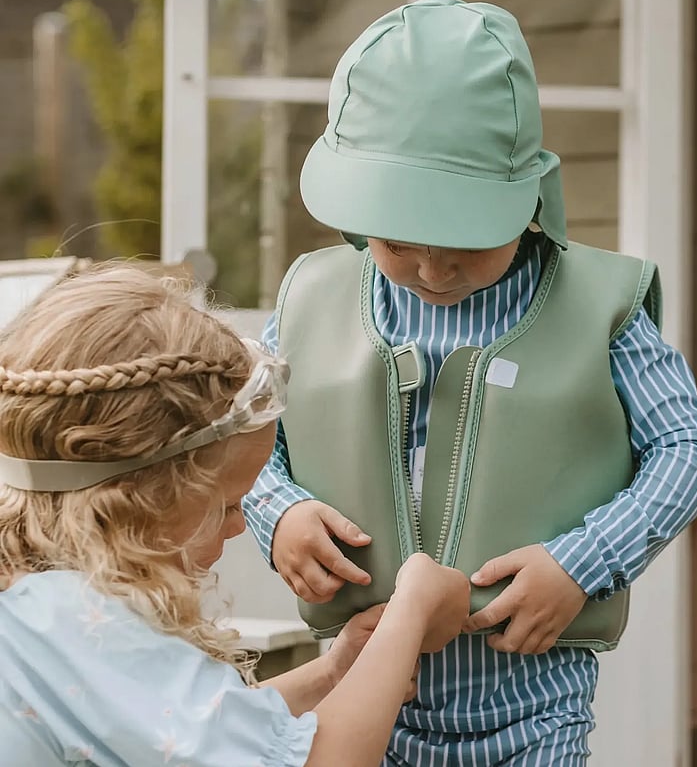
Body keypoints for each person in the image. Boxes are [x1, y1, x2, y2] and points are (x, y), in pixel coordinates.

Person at [243, 0, 697, 765]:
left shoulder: (601, 309)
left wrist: (581, 563)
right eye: (398, 244)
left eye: (467, 243)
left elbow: (689, 450)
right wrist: (280, 513)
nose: (433, 271)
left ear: (528, 195)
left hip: (534, 710)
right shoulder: (311, 300)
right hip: (367, 696)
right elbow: (244, 439)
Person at [0, 264, 471, 767]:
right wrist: (412, 610)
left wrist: (334, 673)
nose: (240, 524)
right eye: (226, 504)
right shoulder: (86, 624)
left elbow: (192, 729)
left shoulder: (40, 611)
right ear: (136, 501)